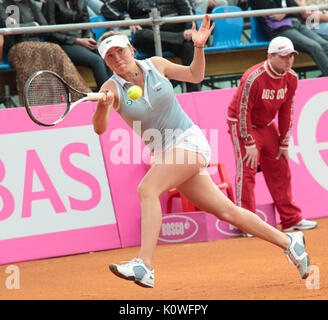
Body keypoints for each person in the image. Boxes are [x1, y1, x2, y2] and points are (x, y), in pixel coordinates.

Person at [92, 16, 311, 288]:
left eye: (120, 51)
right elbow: (99, 129)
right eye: (109, 56)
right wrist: (104, 104)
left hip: (189, 141)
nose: (116, 59)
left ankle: (144, 265)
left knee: (146, 190)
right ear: (105, 62)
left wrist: (198, 48)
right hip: (165, 155)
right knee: (227, 211)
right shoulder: (109, 88)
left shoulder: (156, 66)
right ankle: (290, 242)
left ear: (131, 49)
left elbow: (195, 76)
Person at [227, 36, 318, 234]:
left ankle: (291, 219)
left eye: (291, 56)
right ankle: (246, 222)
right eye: (284, 56)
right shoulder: (253, 78)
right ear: (271, 56)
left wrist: (284, 142)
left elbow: (287, 111)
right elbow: (242, 112)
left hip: (267, 125)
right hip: (243, 125)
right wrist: (248, 141)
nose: (289, 61)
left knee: (280, 167)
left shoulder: (291, 78)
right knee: (247, 169)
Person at [0, 0, 91, 105]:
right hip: (16, 47)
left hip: (38, 44)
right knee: (30, 51)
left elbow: (44, 26)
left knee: (54, 49)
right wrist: (33, 25)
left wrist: (22, 27)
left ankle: (80, 96)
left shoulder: (31, 4)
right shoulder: (3, 6)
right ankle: (34, 104)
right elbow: (9, 28)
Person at [100, 0, 202, 92]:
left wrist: (189, 28)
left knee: (189, 46)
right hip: (149, 39)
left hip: (174, 35)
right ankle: (179, 37)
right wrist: (125, 18)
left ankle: (194, 92)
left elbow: (187, 10)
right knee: (140, 35)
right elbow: (107, 8)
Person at [42, 0, 112, 90]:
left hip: (82, 40)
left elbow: (86, 23)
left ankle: (115, 90)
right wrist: (77, 41)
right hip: (62, 43)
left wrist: (88, 37)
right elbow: (50, 33)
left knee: (107, 54)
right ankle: (107, 93)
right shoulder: (51, 2)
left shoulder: (81, 1)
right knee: (97, 61)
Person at [252, 0, 328, 77]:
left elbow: (296, 8)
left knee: (325, 45)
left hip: (296, 24)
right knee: (314, 46)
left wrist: (285, 12)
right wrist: (287, 11)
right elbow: (274, 14)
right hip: (279, 30)